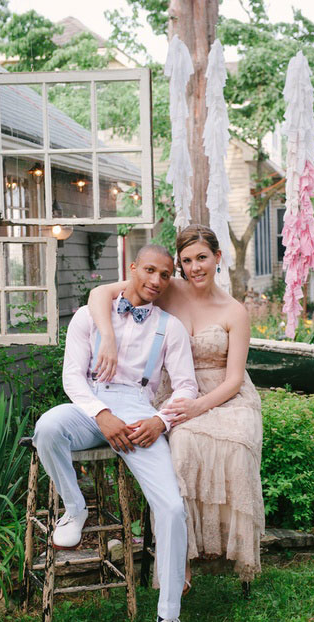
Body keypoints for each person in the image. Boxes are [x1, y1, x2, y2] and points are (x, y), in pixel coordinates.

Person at [33, 245, 198, 622]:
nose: (156, 281)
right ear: (131, 268)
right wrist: (101, 415)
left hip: (140, 412)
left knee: (173, 508)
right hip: (89, 404)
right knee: (47, 427)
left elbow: (187, 388)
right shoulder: (91, 316)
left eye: (165, 274)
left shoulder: (170, 327)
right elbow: (73, 378)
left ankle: (168, 620)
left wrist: (162, 420)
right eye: (149, 270)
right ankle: (76, 509)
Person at [88, 224, 265, 588]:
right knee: (181, 446)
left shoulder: (235, 311)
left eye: (202, 258)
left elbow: (234, 380)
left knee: (237, 447)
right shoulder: (167, 291)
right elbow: (99, 294)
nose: (195, 267)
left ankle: (230, 550)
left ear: (218, 257)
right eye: (187, 260)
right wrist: (107, 336)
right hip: (177, 391)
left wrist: (200, 407)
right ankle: (179, 557)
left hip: (225, 397)